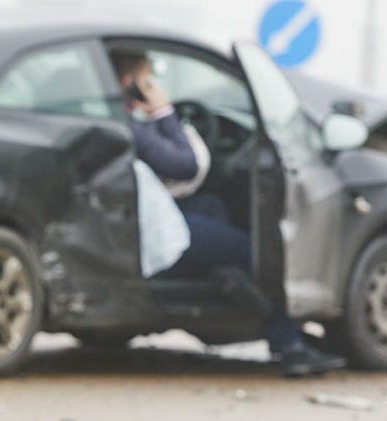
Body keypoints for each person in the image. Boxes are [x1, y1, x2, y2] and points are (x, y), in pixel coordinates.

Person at [111, 51, 345, 377]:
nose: (153, 87)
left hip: (140, 215)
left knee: (213, 207)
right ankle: (287, 341)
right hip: (147, 227)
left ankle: (223, 286)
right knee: (255, 250)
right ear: (131, 83)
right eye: (148, 81)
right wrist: (164, 112)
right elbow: (184, 164)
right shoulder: (128, 125)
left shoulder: (117, 119)